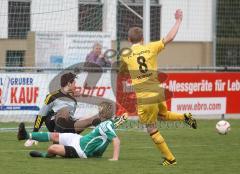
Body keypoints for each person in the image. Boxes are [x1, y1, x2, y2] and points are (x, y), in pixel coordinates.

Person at [120, 9, 197, 166]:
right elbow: (170, 37)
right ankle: (185, 117)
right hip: (158, 91)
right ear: (142, 39)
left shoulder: (125, 54)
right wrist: (178, 21)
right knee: (162, 115)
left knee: (151, 129)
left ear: (129, 39)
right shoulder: (152, 47)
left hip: (145, 97)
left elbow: (122, 71)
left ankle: (170, 159)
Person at [17, 109, 122, 160]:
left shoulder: (107, 125)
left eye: (101, 113)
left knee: (52, 148)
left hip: (80, 151)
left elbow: (116, 140)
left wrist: (115, 158)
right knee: (55, 135)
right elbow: (107, 128)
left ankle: (43, 155)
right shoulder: (106, 124)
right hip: (78, 139)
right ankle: (25, 135)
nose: (98, 114)